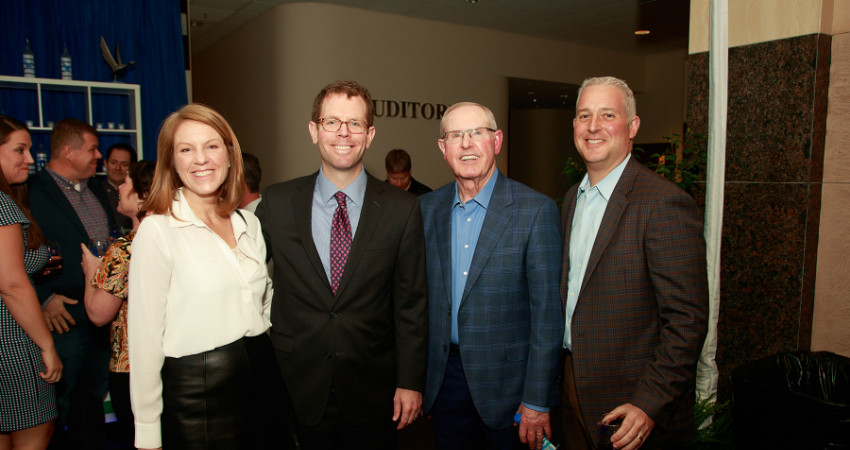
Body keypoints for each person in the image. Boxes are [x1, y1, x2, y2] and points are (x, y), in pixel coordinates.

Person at [255, 80, 428, 449]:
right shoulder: (278, 201)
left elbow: (411, 303)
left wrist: (410, 381)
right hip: (293, 384)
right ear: (314, 131)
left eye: (355, 124)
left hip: (373, 388)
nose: (343, 133)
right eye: (331, 122)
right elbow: (243, 275)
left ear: (370, 135)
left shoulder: (402, 209)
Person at [128, 103, 296, 450]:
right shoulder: (157, 231)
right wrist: (147, 431)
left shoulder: (248, 223)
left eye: (212, 146)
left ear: (230, 155)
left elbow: (263, 301)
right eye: (186, 149)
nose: (200, 159)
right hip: (196, 396)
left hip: (262, 380)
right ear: (172, 162)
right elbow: (144, 339)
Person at [558, 76, 708, 449]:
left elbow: (686, 320)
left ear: (632, 127)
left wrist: (648, 404)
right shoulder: (569, 200)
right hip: (571, 390)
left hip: (630, 404)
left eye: (607, 115)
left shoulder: (662, 204)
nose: (593, 127)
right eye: (583, 116)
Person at [419, 102, 563, 450]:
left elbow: (547, 316)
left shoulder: (535, 210)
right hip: (445, 382)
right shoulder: (426, 209)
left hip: (510, 388)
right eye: (456, 135)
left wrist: (536, 400)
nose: (466, 144)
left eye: (477, 133)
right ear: (443, 148)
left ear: (496, 141)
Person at [28, 118, 114, 450]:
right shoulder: (33, 192)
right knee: (56, 405)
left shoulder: (95, 189)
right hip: (62, 317)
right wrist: (43, 297)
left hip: (100, 315)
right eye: (92, 149)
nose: (98, 157)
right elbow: (11, 262)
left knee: (91, 402)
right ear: (68, 151)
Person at [81, 160, 155, 450]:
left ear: (143, 196)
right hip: (174, 363)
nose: (120, 187)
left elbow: (99, 314)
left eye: (127, 183)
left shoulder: (126, 247)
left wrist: (92, 271)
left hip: (132, 366)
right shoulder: (176, 237)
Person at [0, 115, 63, 450]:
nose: (28, 159)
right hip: (13, 345)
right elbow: (11, 285)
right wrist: (47, 346)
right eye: (18, 150)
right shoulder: (1, 205)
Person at [101, 143, 137, 232]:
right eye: (113, 163)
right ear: (105, 164)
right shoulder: (96, 191)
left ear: (132, 167)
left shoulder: (139, 193)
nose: (118, 168)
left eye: (124, 164)